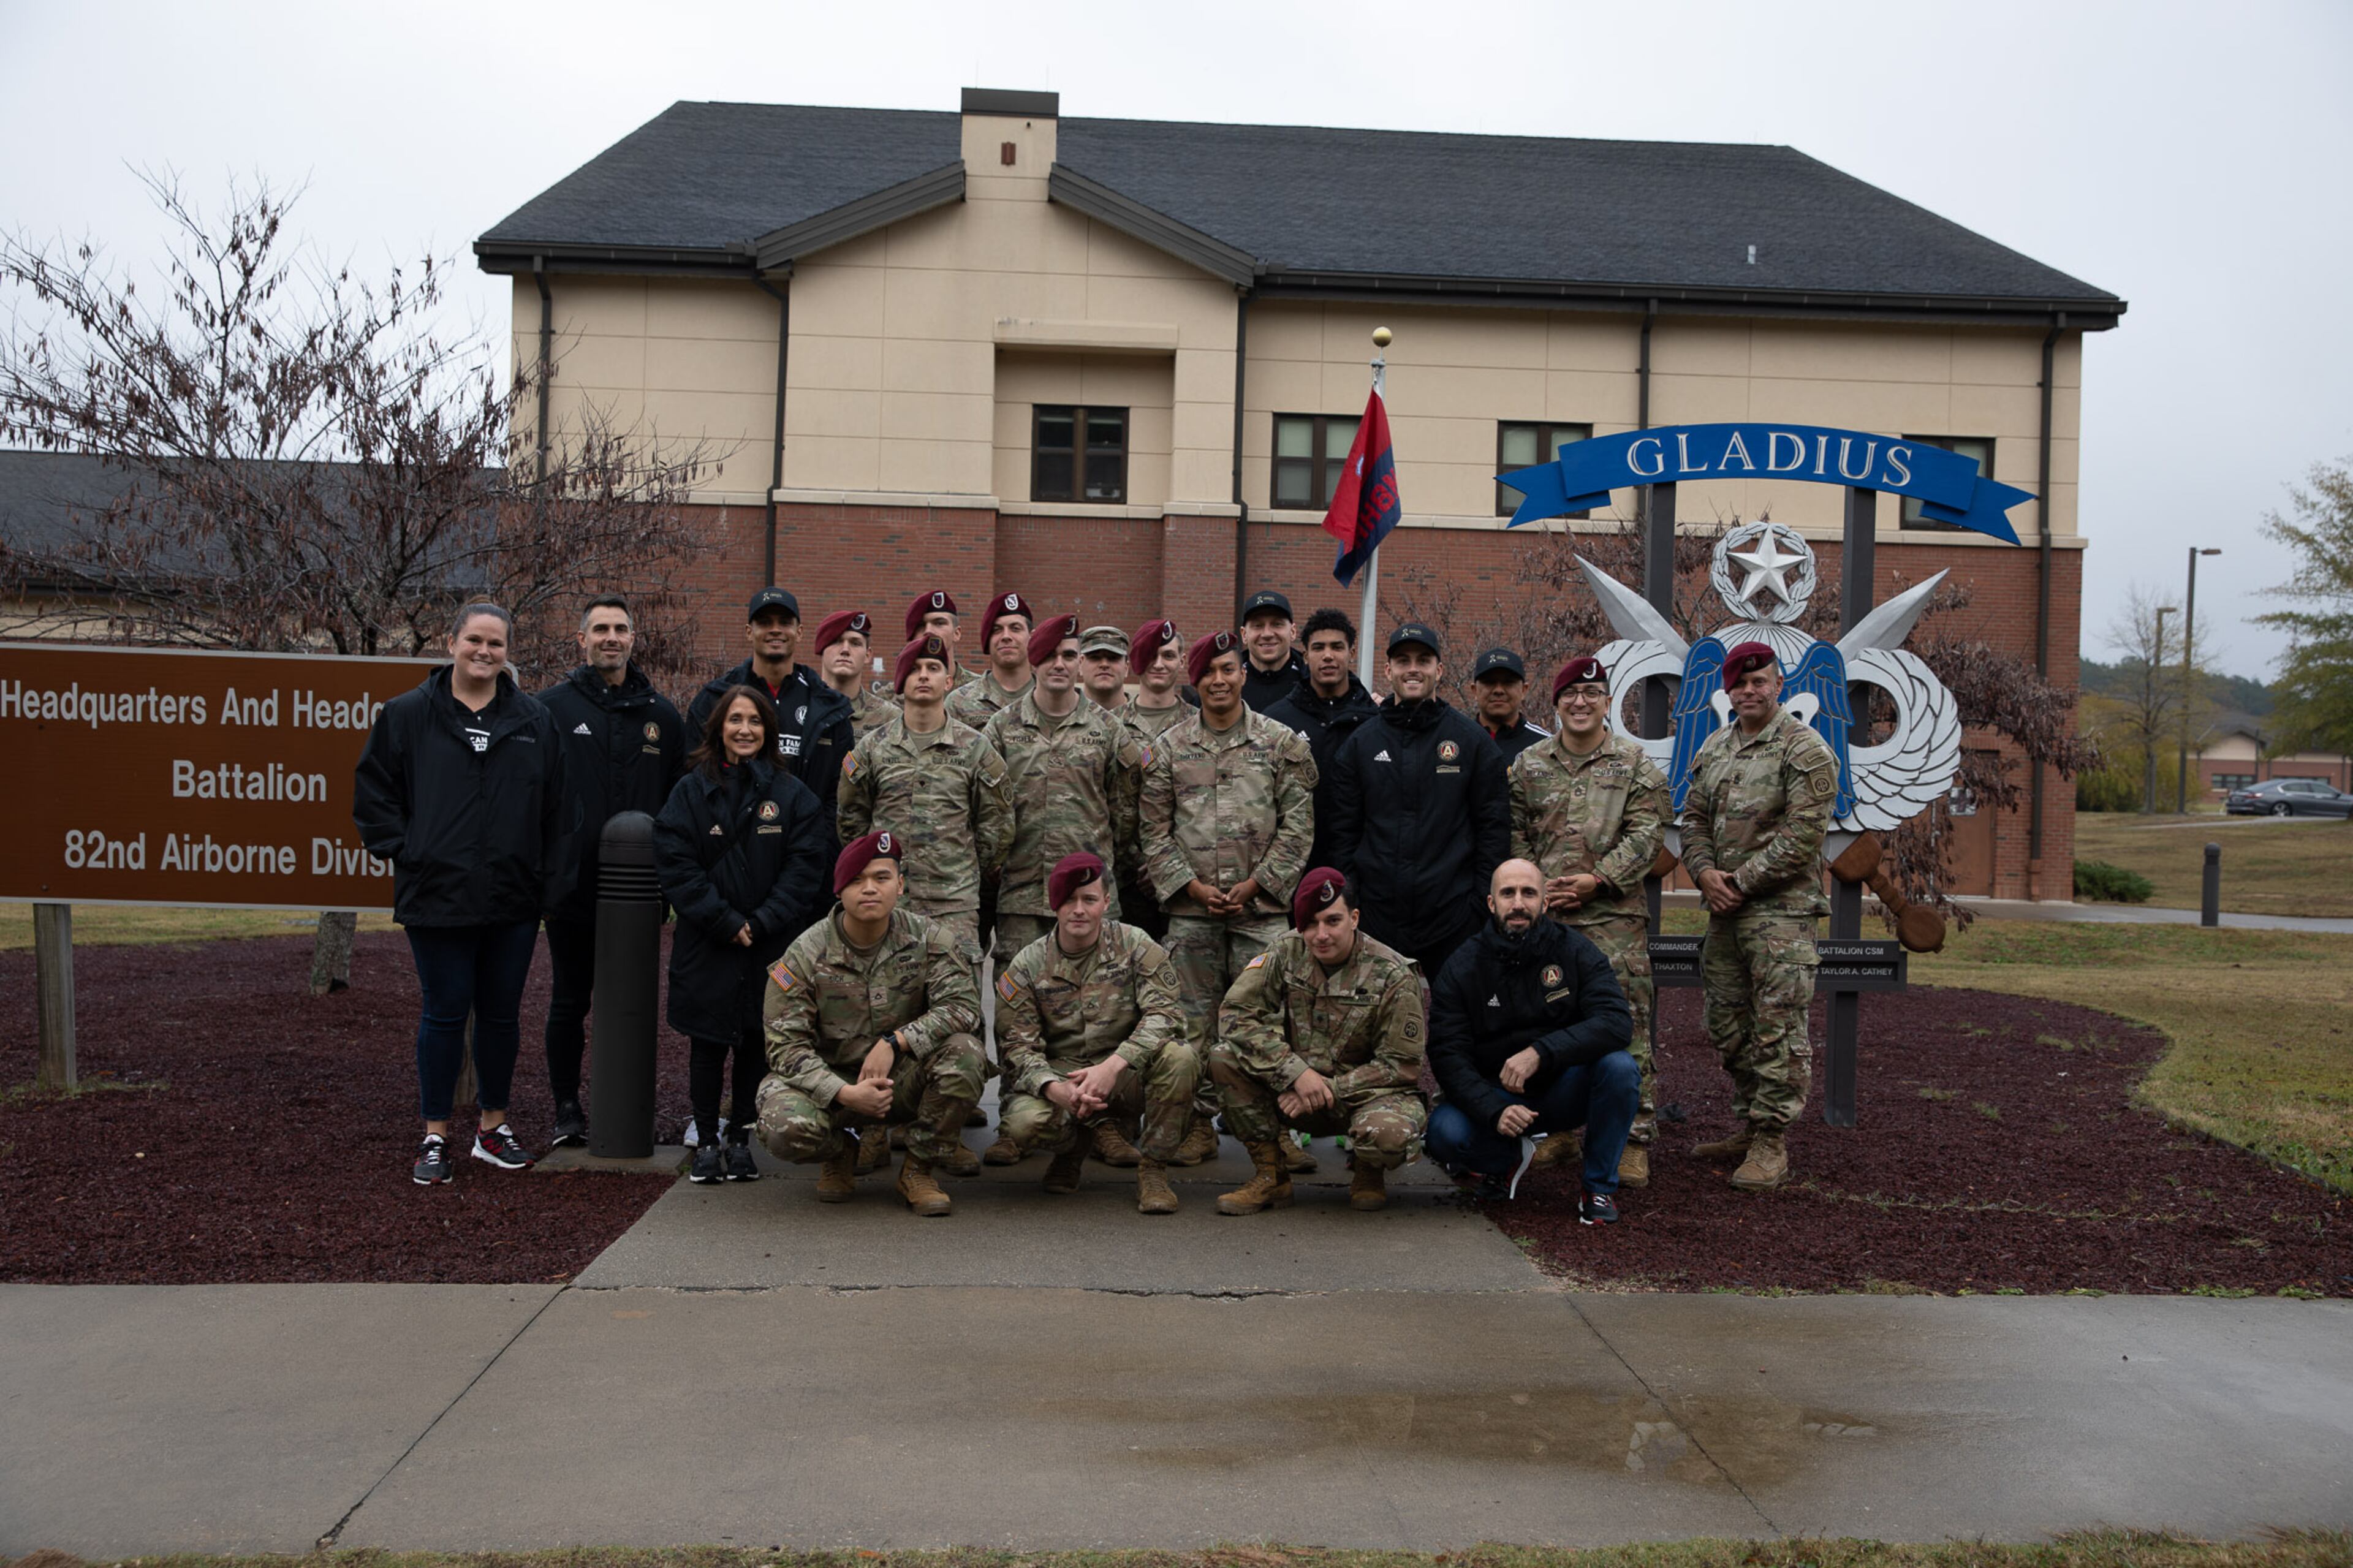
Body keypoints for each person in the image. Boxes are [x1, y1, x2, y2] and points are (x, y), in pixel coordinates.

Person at [354, 602, 567, 1186]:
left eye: (496, 643)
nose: (484, 651)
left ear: (507, 652)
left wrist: (544, 883)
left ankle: (493, 1130)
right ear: (451, 643)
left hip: (512, 900)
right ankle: (435, 1135)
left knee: (500, 1017)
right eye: (474, 639)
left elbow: (556, 809)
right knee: (444, 1015)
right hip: (437, 897)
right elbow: (374, 796)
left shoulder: (533, 720)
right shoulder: (405, 716)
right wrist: (412, 849)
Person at [1139, 629, 1318, 1167]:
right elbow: (1152, 832)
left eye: (1228, 669)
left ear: (1243, 673)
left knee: (1268, 1022)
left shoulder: (1280, 742)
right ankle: (1198, 1126)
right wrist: (1190, 886)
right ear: (1195, 680)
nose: (1219, 679)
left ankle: (1276, 1131)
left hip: (1260, 913)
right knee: (1192, 1024)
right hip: (1192, 915)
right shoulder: (1168, 749)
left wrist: (1260, 882)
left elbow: (1299, 824)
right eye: (1209, 671)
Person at [836, 633, 1014, 1175]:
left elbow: (997, 828)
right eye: (915, 667)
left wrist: (965, 874)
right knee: (883, 1011)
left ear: (949, 680)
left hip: (953, 905)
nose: (923, 676)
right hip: (887, 906)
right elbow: (851, 823)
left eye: (935, 667)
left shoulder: (977, 748)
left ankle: (945, 1131)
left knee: (958, 1017)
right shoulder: (870, 749)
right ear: (900, 680)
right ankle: (874, 1128)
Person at [981, 615, 1146, 1162]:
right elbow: (986, 811)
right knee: (1018, 1014)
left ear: (1079, 664)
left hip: (1091, 898)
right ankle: (1016, 1117)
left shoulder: (1108, 729)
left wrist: (1100, 873)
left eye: (1068, 654)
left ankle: (1104, 1121)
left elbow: (1125, 812)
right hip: (1023, 896)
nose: (1058, 663)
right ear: (1033, 659)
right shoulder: (1001, 729)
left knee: (1103, 1012)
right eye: (1049, 653)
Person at [756, 831, 990, 1216]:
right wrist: (843, 1093)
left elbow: (964, 1007)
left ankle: (918, 1170)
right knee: (781, 1125)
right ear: (838, 890)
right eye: (855, 880)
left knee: (966, 1053)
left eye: (881, 878)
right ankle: (840, 1150)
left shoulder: (930, 940)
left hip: (903, 1080)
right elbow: (785, 1047)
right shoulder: (805, 954)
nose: (869, 889)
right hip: (833, 1085)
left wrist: (895, 1042)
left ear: (900, 884)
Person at [1677, 640, 1837, 1193]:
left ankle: (1772, 1141)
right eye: (1741, 683)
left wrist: (1739, 883)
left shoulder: (1805, 749)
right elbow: (1692, 819)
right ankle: (1749, 1124)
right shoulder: (1716, 747)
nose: (1750, 690)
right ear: (1727, 688)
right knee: (1727, 1024)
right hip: (1725, 912)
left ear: (1778, 684)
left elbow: (1804, 835)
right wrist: (1704, 875)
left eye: (1760, 681)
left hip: (1781, 916)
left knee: (1778, 1027)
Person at [652, 686, 830, 1183]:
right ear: (718, 728)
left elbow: (805, 867)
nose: (745, 729)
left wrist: (763, 920)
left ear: (768, 730)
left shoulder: (793, 794)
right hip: (709, 942)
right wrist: (724, 921)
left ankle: (740, 1139)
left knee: (756, 1041)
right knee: (707, 1045)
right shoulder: (689, 791)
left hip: (768, 944)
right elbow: (675, 861)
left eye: (755, 720)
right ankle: (707, 1140)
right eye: (735, 720)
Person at [1509, 655, 1669, 1186]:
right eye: (1570, 693)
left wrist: (1597, 880)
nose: (1581, 701)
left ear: (1607, 703)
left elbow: (1647, 837)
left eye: (1592, 692)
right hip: (1545, 922)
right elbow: (1514, 836)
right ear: (1554, 704)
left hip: (1613, 922)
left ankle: (1633, 1139)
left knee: (1627, 1026)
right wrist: (1537, 891)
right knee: (1548, 1021)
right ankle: (1556, 1129)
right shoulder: (1528, 766)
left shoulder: (1636, 766)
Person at [534, 594, 687, 1148]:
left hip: (640, 894)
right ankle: (567, 1108)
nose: (611, 637)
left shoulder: (663, 718)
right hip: (573, 890)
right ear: (581, 639)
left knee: (630, 1002)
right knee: (570, 1000)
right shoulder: (549, 709)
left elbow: (678, 807)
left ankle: (627, 1108)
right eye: (600, 628)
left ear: (633, 638)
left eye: (621, 628)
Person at [1428, 859, 1637, 1224]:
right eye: (1508, 894)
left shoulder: (1575, 951)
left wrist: (1542, 1052)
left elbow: (1616, 1022)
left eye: (1529, 893)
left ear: (1544, 902)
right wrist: (1493, 1110)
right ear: (1492, 904)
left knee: (1620, 1068)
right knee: (1444, 1135)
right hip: (1499, 1097)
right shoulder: (1462, 966)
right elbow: (1447, 1055)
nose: (1518, 903)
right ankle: (1507, 1158)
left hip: (1563, 1091)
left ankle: (1598, 1187)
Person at [1210, 869, 1429, 1216]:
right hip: (1293, 1090)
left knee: (1390, 1135)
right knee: (1223, 1058)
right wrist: (1294, 1073)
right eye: (1310, 924)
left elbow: (1399, 1065)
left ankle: (1367, 1169)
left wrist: (1328, 1088)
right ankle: (1272, 1176)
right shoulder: (1285, 951)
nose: (1321, 935)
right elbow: (1235, 1016)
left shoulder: (1392, 973)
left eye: (1333, 921)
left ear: (1354, 918)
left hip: (1363, 1098)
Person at [994, 852, 1197, 1213]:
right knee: (1023, 1123)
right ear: (1053, 903)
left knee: (1180, 1057)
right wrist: (1055, 1089)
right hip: (1064, 1075)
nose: (1079, 910)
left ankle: (1153, 1170)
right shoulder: (1027, 964)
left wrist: (1115, 1065)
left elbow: (1166, 1015)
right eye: (1069, 899)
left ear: (1107, 902)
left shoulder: (1136, 946)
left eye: (1089, 899)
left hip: (1125, 1072)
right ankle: (1072, 1150)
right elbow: (1016, 1046)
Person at [1325, 621, 1510, 980]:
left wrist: (1477, 907)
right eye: (1403, 660)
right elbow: (1343, 834)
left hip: (1454, 917)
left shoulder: (1472, 742)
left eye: (1423, 660)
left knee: (1453, 1025)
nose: (1413, 668)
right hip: (1378, 917)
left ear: (1439, 670)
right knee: (1377, 1024)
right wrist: (1353, 902)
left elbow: (1494, 829)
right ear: (1388, 670)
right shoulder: (1360, 745)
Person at [686, 587, 853, 826]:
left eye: (785, 622)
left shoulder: (828, 707)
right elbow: (695, 780)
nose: (775, 629)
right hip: (730, 847)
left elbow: (841, 795)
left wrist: (817, 849)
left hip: (806, 849)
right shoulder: (714, 700)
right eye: (765, 622)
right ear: (748, 632)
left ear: (800, 632)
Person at [1263, 607, 1377, 876]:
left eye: (1337, 647)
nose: (1328, 656)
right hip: (1290, 871)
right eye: (1319, 648)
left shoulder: (1375, 722)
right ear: (1305, 656)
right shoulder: (1276, 721)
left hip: (1360, 871)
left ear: (1351, 653)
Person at [1112, 617, 1190, 946]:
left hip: (1187, 881)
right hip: (1124, 881)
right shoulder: (1108, 727)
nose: (1160, 664)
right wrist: (1140, 863)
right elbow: (1102, 802)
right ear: (1134, 662)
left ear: (1183, 662)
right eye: (1151, 655)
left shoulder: (1198, 727)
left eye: (1170, 656)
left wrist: (1167, 865)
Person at [945, 590, 1035, 729]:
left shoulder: (1050, 698)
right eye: (997, 630)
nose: (1006, 636)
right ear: (987, 641)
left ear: (1032, 637)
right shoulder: (959, 702)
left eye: (1016, 629)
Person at [814, 608, 900, 739]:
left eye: (855, 643)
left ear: (868, 655)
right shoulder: (800, 707)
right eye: (836, 641)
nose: (845, 650)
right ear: (821, 648)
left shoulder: (889, 717)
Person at [1468, 647, 1549, 765]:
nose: (1499, 690)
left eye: (1508, 683)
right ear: (1474, 690)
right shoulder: (1455, 741)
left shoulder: (1546, 745)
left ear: (1524, 690)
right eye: (1489, 682)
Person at [1238, 588, 1308, 711]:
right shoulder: (1227, 685)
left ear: (1293, 632)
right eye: (1258, 626)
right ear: (1244, 635)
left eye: (1277, 624)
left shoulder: (1312, 684)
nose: (1267, 634)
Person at [1076, 624, 1132, 710]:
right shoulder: (1060, 716)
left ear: (1126, 668)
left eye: (1113, 658)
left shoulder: (1146, 719)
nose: (1104, 664)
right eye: (1095, 658)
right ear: (1080, 664)